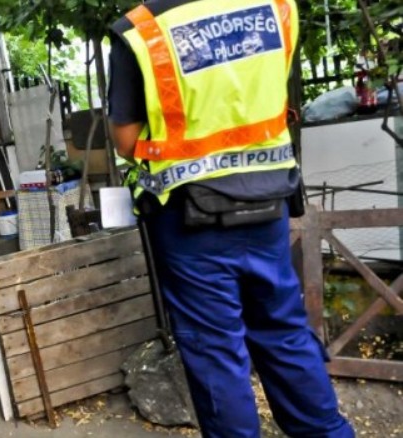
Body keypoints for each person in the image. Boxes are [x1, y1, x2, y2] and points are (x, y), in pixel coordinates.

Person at [108, 1, 354, 437]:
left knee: (215, 352)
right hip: (268, 203)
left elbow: (126, 141)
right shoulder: (278, 7)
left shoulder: (141, 30)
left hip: (191, 222)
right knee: (283, 330)